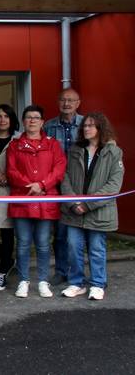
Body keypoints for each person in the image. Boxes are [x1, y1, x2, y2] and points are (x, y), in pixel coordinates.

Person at [60, 113, 123, 301]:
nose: (86, 128)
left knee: (96, 248)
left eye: (91, 126)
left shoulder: (113, 152)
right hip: (74, 211)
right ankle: (76, 283)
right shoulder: (74, 150)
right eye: (85, 126)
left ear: (100, 129)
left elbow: (113, 184)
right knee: (72, 246)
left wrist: (87, 205)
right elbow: (65, 178)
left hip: (98, 211)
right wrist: (73, 202)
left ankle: (97, 284)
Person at [6, 105, 66, 298]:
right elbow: (11, 171)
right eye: (29, 117)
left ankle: (42, 281)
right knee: (23, 243)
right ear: (23, 121)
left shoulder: (53, 144)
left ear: (42, 122)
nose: (32, 120)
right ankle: (23, 280)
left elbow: (59, 169)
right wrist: (30, 186)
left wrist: (42, 184)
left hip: (45, 201)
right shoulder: (14, 145)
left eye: (36, 117)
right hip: (22, 201)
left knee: (42, 243)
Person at [44, 88, 84, 286]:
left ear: (78, 103)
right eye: (63, 100)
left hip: (80, 185)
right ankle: (61, 271)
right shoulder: (49, 127)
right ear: (58, 102)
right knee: (60, 234)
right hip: (57, 186)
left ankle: (81, 273)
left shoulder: (86, 124)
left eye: (71, 100)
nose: (66, 104)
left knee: (81, 234)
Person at [0, 104, 19, 291]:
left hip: (9, 190)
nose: (2, 120)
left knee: (7, 231)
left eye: (6, 116)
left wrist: (9, 175)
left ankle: (4, 267)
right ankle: (6, 259)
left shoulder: (18, 139)